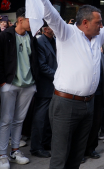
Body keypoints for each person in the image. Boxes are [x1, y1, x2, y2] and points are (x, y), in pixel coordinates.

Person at [23, 0, 104, 169]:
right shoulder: (66, 33)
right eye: (98, 22)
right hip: (66, 104)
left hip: (88, 105)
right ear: (85, 23)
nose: (102, 25)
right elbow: (50, 12)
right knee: (60, 157)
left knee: (77, 156)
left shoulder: (97, 38)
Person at [0, 7, 39, 167]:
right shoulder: (5, 35)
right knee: (5, 120)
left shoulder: (31, 37)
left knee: (19, 120)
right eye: (31, 20)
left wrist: (34, 82)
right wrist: (3, 81)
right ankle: (2, 154)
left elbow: (34, 60)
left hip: (28, 84)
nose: (33, 24)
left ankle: (15, 150)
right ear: (20, 19)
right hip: (10, 84)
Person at [30, 23, 57, 159]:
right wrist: (58, 76)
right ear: (45, 29)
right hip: (45, 85)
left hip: (54, 85)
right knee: (40, 118)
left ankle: (46, 142)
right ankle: (36, 147)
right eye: (52, 26)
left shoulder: (55, 41)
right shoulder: (40, 42)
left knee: (49, 117)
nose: (55, 28)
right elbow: (42, 66)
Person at [83, 51, 104, 162]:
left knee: (96, 122)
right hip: (84, 94)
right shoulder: (81, 51)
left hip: (98, 93)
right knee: (82, 125)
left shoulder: (100, 53)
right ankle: (79, 151)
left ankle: (91, 148)